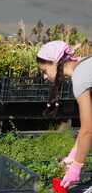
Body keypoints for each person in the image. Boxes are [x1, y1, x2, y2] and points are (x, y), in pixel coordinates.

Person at [36, 40, 92, 189]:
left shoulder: (80, 77)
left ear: (54, 62)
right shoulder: (86, 64)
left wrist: (77, 167)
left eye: (44, 71)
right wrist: (74, 154)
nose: (45, 77)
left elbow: (88, 129)